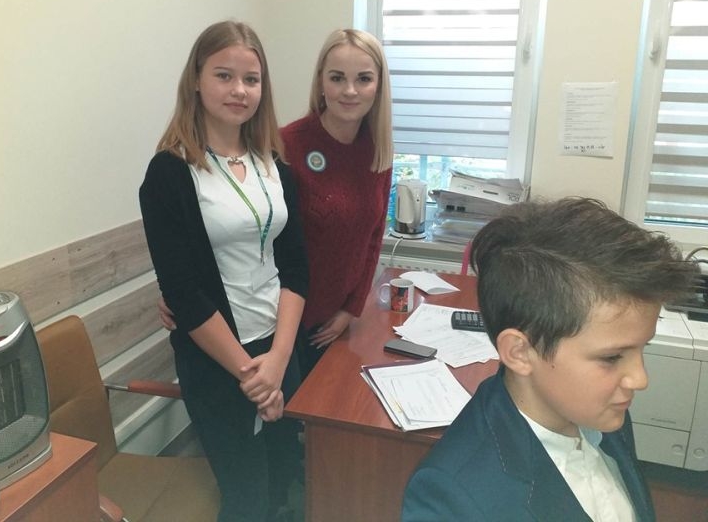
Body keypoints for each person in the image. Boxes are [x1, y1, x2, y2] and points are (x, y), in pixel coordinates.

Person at [402, 197, 697, 522]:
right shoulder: (452, 498)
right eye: (613, 357)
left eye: (642, 348)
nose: (640, 379)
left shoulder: (601, 410)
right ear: (520, 352)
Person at [139, 20, 307, 522]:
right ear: (196, 80)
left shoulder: (273, 163)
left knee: (284, 473)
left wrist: (278, 360)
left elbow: (295, 267)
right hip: (220, 362)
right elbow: (184, 294)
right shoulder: (169, 173)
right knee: (245, 494)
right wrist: (253, 377)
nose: (239, 90)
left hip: (279, 346)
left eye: (251, 79)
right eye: (224, 75)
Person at [280, 28, 393, 376]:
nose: (350, 90)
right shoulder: (287, 144)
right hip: (282, 322)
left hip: (335, 322)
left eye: (363, 79)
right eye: (337, 78)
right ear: (321, 82)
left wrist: (351, 309)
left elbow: (373, 237)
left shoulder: (378, 150)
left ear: (378, 86)